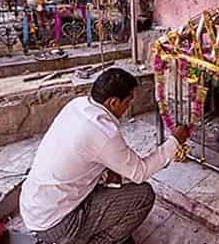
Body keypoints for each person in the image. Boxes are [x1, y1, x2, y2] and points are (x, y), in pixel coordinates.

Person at [20, 68, 190, 244]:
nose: (128, 107)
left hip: (33, 208)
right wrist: (175, 141)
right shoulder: (102, 132)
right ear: (113, 102)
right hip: (55, 225)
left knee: (114, 178)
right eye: (128, 101)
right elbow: (140, 172)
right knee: (143, 195)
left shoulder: (77, 105)